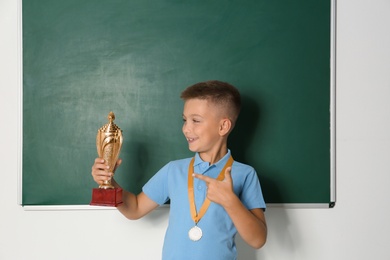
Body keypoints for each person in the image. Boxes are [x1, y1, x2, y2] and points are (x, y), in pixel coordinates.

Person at [91, 80, 267, 259]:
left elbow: (258, 239)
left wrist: (230, 201)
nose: (186, 128)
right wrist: (109, 183)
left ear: (223, 126)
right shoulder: (174, 170)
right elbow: (135, 208)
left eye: (196, 121)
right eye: (185, 120)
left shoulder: (245, 174)